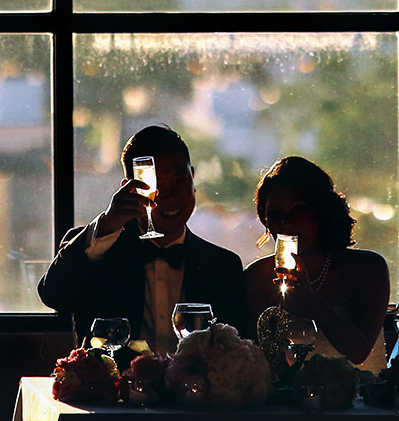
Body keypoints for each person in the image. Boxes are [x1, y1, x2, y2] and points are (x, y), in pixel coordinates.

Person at [38, 125, 250, 354]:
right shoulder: (94, 251)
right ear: (129, 189)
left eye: (179, 181)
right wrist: (109, 222)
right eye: (154, 184)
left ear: (193, 178)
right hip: (114, 388)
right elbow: (53, 294)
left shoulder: (223, 266)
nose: (168, 196)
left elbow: (236, 352)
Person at [244, 156, 390, 372]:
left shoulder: (367, 268)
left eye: (298, 209)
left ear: (322, 212)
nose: (285, 222)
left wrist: (313, 304)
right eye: (274, 214)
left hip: (363, 402)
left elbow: (359, 352)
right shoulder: (256, 277)